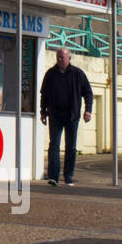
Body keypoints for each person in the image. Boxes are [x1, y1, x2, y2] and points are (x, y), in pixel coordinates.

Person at [38, 47, 93, 186]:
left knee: (71, 147)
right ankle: (53, 177)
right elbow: (44, 94)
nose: (60, 60)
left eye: (62, 57)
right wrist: (43, 111)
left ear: (69, 58)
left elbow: (88, 92)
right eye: (58, 57)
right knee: (54, 145)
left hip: (72, 116)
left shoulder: (77, 74)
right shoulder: (50, 74)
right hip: (55, 115)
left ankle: (68, 176)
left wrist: (88, 110)